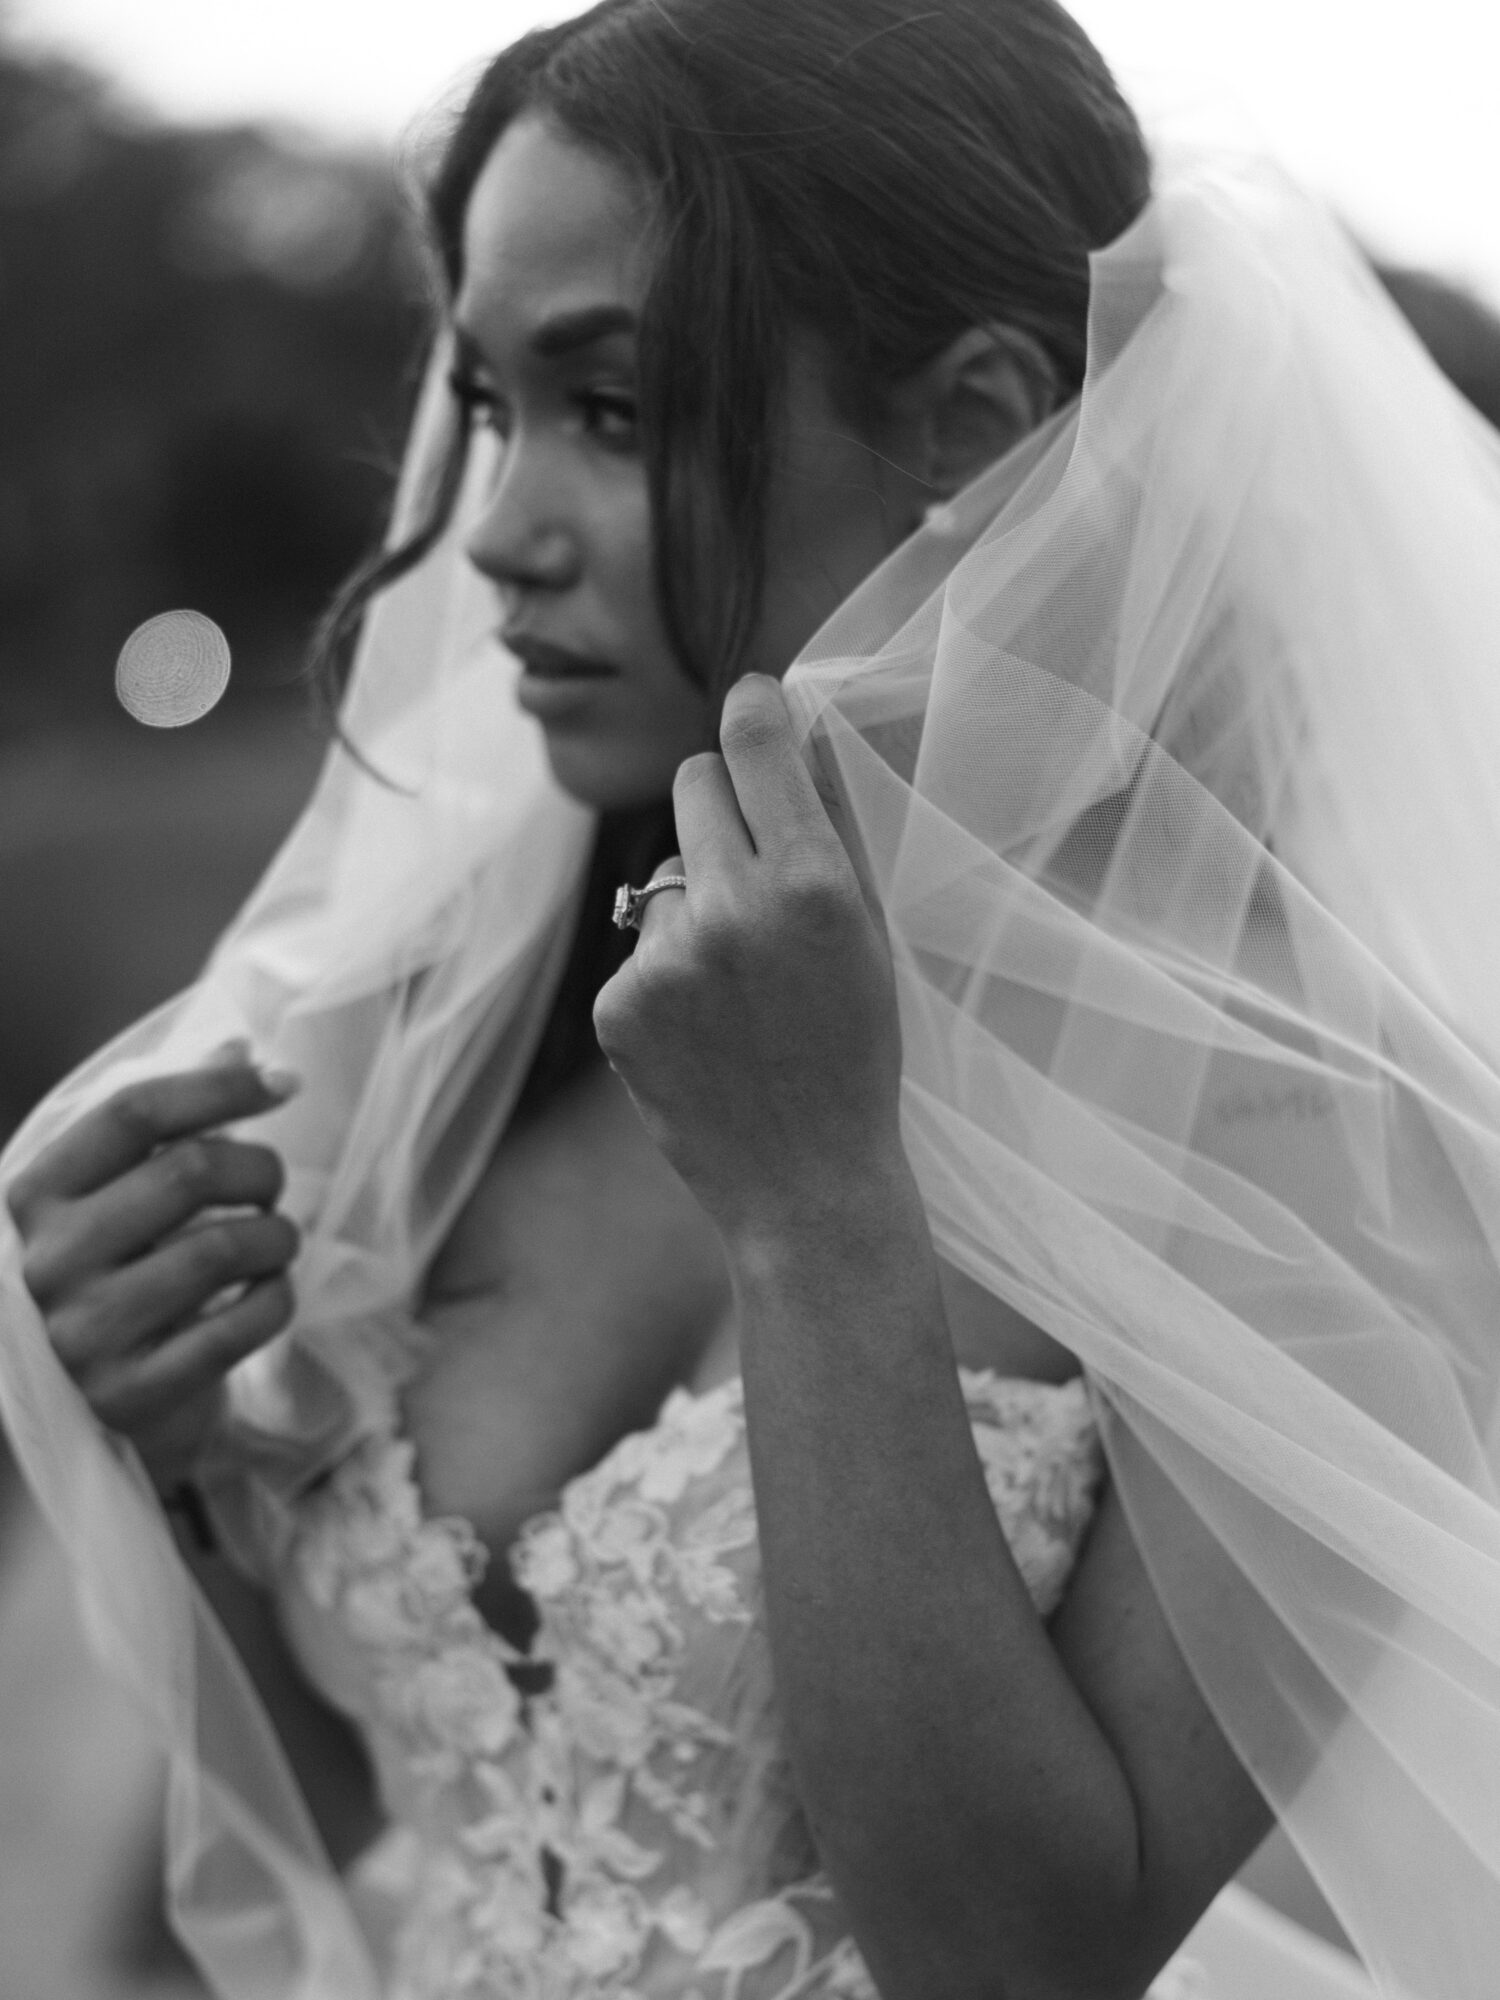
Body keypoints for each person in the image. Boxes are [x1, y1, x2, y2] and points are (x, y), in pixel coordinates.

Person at [3, 2, 1500, 1996]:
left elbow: (1015, 1961)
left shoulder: (1310, 1133)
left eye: (612, 412)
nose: (503, 532)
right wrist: (183, 1449)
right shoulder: (501, 1005)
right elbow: (372, 1796)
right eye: (490, 402)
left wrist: (820, 1212)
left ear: (966, 430)